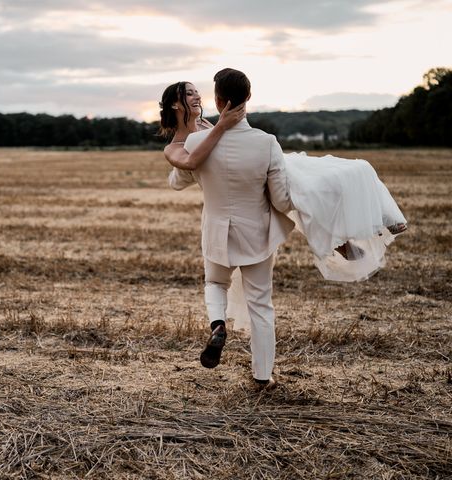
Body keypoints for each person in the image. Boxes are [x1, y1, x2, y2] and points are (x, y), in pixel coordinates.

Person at [162, 69, 407, 389]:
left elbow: (179, 178)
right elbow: (280, 200)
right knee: (261, 305)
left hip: (217, 231)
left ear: (219, 100)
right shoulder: (266, 143)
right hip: (256, 235)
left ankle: (218, 324)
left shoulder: (196, 142)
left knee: (214, 281)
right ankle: (262, 378)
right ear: (247, 98)